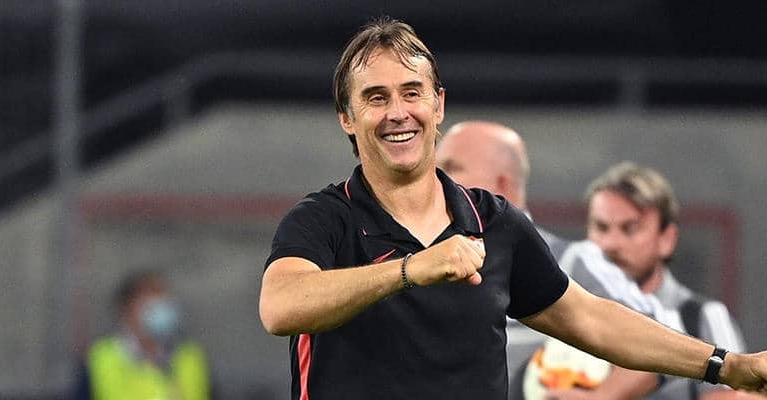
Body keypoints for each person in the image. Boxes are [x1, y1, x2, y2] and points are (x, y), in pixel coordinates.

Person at [258, 17, 767, 400]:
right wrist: (410, 270)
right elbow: (281, 307)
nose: (398, 112)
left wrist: (727, 366)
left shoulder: (496, 223)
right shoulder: (323, 219)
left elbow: (591, 319)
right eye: (375, 98)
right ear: (347, 118)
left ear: (438, 104)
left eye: (411, 93)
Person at [436, 120, 665, 399]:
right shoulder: (428, 263)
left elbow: (652, 347)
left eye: (451, 168)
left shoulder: (573, 260)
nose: (437, 181)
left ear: (501, 185)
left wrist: (599, 397)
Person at [585, 161, 750, 399]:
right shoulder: (564, 316)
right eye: (601, 227)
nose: (611, 244)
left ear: (667, 239)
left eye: (630, 228)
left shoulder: (702, 317)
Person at [75, 270, 212, 400]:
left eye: (163, 299)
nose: (158, 307)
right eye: (148, 301)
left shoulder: (190, 357)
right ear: (126, 309)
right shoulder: (100, 360)